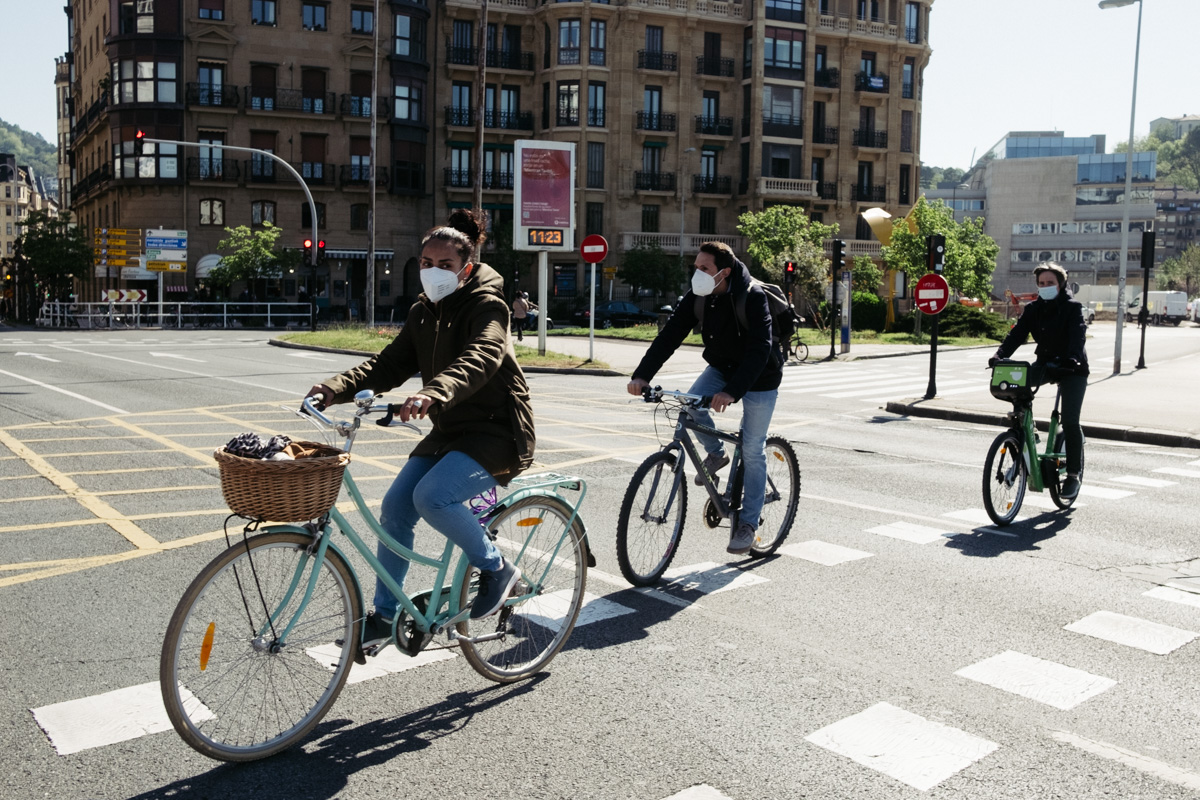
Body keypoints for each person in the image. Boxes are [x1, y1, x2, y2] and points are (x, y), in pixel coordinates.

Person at [305, 209, 536, 647]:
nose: (433, 272)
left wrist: (434, 392)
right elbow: (389, 364)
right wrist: (334, 389)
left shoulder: (489, 305)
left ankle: (495, 568)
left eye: (445, 265)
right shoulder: (423, 312)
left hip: (498, 430)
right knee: (395, 506)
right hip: (451, 429)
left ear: (466, 269)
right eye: (426, 263)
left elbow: (482, 356)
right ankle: (385, 617)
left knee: (432, 497)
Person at [626, 241, 782, 555]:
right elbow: (669, 335)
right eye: (695, 267)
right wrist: (642, 375)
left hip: (760, 377)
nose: (696, 273)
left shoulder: (752, 296)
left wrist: (731, 392)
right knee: (688, 402)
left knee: (752, 448)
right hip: (722, 368)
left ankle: (747, 524)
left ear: (723, 272)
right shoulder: (699, 296)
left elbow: (760, 348)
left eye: (704, 268)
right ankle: (716, 453)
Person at [989, 262, 1088, 498]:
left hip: (1072, 368)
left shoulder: (1072, 307)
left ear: (1061, 284)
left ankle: (1073, 475)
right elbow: (1017, 334)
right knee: (1015, 386)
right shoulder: (1033, 309)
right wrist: (999, 355)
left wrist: (1073, 358)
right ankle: (1026, 431)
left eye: (1050, 283)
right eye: (1041, 283)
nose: (1045, 287)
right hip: (1045, 365)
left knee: (1071, 421)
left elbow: (1078, 335)